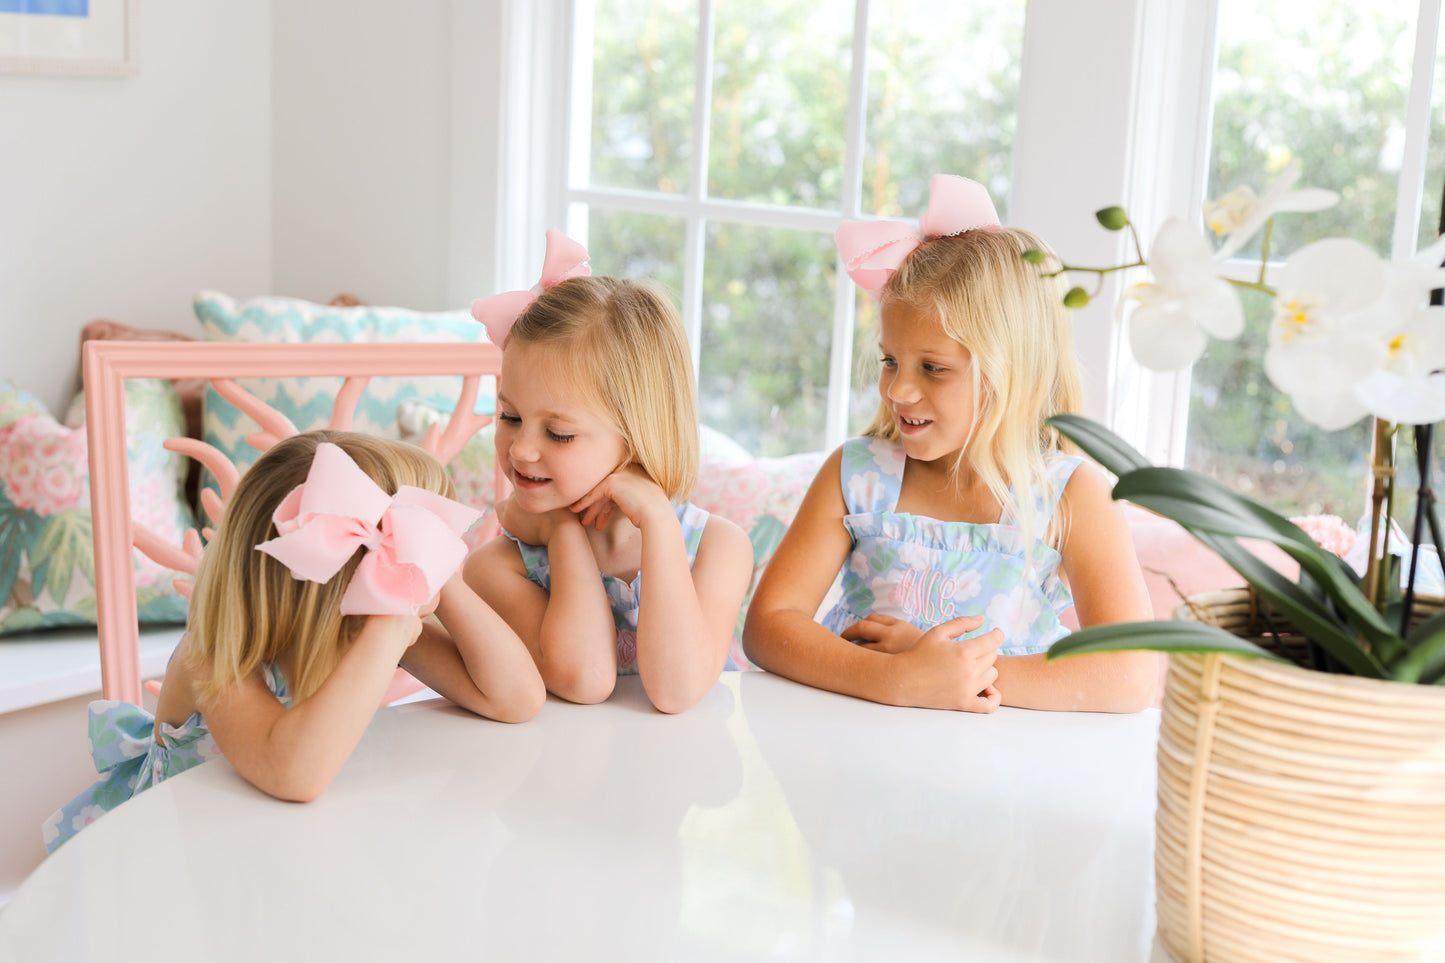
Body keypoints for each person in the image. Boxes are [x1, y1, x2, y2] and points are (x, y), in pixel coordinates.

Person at [743, 175, 1156, 713]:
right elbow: (768, 626)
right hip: (858, 758)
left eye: (932, 368)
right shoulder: (857, 476)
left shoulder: (1070, 495)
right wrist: (894, 678)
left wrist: (946, 669)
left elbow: (1129, 674)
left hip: (1000, 777)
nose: (899, 389)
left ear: (1012, 374)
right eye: (890, 360)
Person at [43, 431, 545, 852]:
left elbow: (515, 697)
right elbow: (295, 776)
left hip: (295, 844)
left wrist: (442, 582)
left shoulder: (359, 626)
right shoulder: (213, 656)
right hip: (191, 854)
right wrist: (389, 625)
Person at [465, 230, 753, 715]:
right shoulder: (499, 566)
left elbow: (677, 692)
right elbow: (585, 677)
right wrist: (560, 532)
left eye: (558, 433)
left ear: (640, 437)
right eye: (510, 416)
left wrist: (659, 521)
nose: (521, 449)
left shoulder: (718, 548)